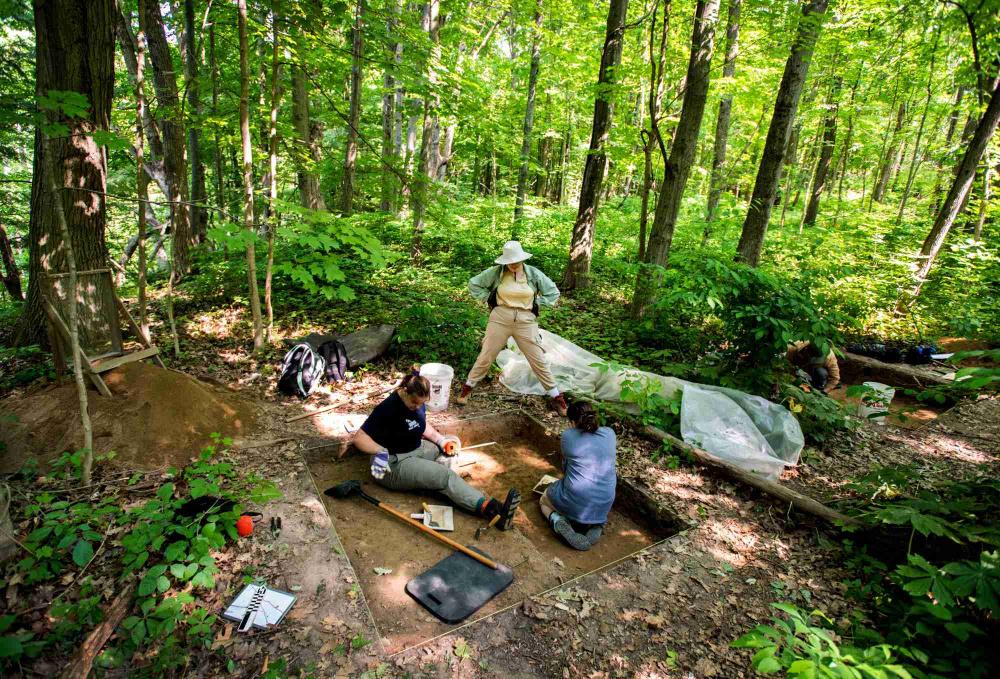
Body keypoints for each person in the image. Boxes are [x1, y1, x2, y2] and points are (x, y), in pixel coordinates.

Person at [353, 372, 521, 529]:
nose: (417, 407)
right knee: (444, 475)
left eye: (422, 404)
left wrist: (441, 441)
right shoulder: (387, 409)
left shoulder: (417, 403)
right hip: (393, 463)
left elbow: (420, 424)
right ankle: (490, 510)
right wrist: (380, 451)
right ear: (404, 391)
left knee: (452, 445)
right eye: (414, 403)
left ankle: (436, 483)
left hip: (416, 448)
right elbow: (359, 438)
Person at [456, 240, 568, 416]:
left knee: (538, 359)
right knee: (486, 355)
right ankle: (466, 390)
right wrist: (488, 298)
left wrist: (537, 303)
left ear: (522, 259)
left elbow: (553, 292)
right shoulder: (497, 272)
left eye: (516, 261)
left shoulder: (533, 274)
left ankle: (558, 399)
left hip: (525, 320)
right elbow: (474, 284)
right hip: (500, 318)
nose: (513, 264)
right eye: (510, 261)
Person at [539, 402, 616, 551]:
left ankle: (557, 520)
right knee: (594, 496)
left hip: (577, 499)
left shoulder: (568, 436)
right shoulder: (610, 433)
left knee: (543, 500)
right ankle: (597, 524)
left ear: (572, 421)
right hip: (605, 499)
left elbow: (566, 469)